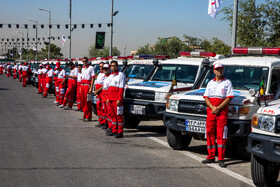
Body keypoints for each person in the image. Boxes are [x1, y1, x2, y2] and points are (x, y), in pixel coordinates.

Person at [202, 63, 234, 168]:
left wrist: (218, 108)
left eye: (221, 69)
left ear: (223, 70)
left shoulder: (227, 82)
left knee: (221, 135)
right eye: (217, 69)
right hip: (211, 111)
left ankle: (221, 158)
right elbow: (206, 97)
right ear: (214, 71)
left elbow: (229, 98)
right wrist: (212, 108)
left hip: (222, 112)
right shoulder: (210, 83)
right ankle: (211, 156)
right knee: (210, 133)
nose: (219, 70)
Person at [106, 60, 126, 138]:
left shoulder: (121, 75)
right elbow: (109, 88)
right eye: (112, 66)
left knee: (119, 116)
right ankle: (114, 130)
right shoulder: (111, 76)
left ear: (117, 66)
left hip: (117, 100)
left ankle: (120, 132)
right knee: (113, 116)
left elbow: (121, 88)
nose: (113, 67)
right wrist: (108, 98)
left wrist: (119, 99)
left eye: (114, 66)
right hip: (110, 99)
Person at [80, 57, 95, 122]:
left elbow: (93, 78)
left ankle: (88, 116)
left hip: (87, 86)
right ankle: (85, 114)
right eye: (83, 61)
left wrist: (91, 88)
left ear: (88, 61)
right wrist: (80, 87)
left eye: (85, 61)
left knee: (88, 102)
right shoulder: (83, 68)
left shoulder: (91, 68)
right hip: (82, 85)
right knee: (83, 101)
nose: (84, 62)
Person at [94, 62, 106, 127]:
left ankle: (104, 122)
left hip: (102, 92)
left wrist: (97, 91)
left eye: (102, 66)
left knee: (103, 108)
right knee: (98, 107)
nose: (101, 67)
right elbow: (96, 83)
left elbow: (104, 85)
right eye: (100, 66)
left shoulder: (105, 75)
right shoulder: (99, 74)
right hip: (98, 93)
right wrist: (96, 92)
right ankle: (100, 121)